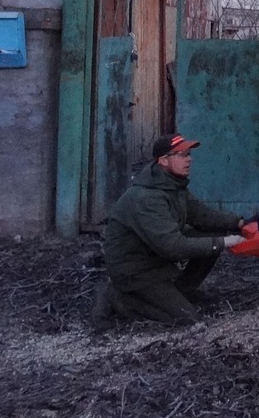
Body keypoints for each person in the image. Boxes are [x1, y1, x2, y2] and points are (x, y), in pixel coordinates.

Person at [92, 132, 247, 328]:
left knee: (210, 237)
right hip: (135, 273)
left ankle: (179, 293)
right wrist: (224, 243)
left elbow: (201, 215)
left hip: (155, 261)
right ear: (164, 160)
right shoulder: (147, 198)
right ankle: (119, 298)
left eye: (189, 154)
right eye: (182, 155)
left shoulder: (172, 184)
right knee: (188, 320)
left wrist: (239, 223)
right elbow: (172, 247)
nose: (189, 159)